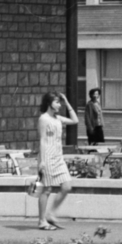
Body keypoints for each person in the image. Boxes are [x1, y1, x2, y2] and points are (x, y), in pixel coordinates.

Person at [33, 91, 79, 230]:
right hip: (47, 157)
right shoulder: (44, 118)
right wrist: (41, 161)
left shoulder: (58, 118)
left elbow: (75, 121)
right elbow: (42, 139)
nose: (59, 104)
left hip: (59, 157)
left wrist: (66, 101)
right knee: (46, 190)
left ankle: (51, 214)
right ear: (49, 103)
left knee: (67, 186)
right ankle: (42, 221)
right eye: (57, 102)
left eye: (60, 102)